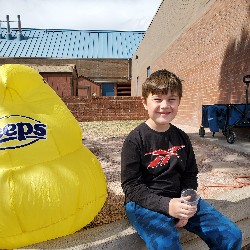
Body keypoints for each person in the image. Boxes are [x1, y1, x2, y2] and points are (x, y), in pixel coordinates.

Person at [121, 69, 242, 250]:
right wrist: (167, 205)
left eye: (171, 99)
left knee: (231, 235)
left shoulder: (182, 138)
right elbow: (131, 186)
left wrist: (187, 203)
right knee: (167, 245)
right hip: (144, 204)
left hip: (180, 199)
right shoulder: (135, 140)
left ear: (178, 102)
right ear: (144, 102)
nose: (165, 105)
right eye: (157, 99)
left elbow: (190, 175)